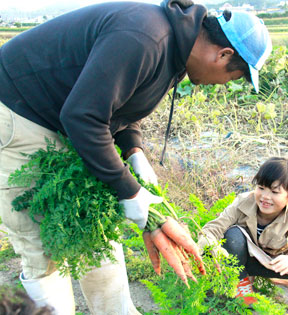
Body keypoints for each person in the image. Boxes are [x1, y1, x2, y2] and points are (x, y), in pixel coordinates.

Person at [0, 0, 272, 313]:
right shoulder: (146, 37)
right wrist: (130, 191)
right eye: (235, 77)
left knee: (97, 231)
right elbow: (82, 117)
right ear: (223, 55)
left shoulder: (178, 52)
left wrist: (134, 152)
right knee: (42, 248)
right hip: (20, 109)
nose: (226, 84)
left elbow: (122, 103)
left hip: (65, 117)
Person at [198, 157, 288, 313]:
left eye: (275, 192)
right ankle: (241, 286)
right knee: (233, 235)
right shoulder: (242, 203)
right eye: (261, 188)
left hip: (275, 263)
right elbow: (211, 229)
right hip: (243, 261)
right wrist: (214, 249)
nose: (265, 197)